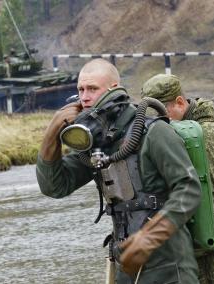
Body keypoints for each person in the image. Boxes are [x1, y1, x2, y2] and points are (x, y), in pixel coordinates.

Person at [36, 59, 202, 283]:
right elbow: (55, 186)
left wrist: (149, 238)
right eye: (80, 90)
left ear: (114, 90)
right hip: (127, 267)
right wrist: (52, 133)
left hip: (170, 267)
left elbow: (189, 189)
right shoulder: (95, 146)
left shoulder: (154, 132)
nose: (84, 97)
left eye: (92, 89)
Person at [141, 73, 214, 284]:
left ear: (180, 103)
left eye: (162, 114)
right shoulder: (181, 135)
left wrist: (186, 251)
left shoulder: (205, 137)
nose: (157, 123)